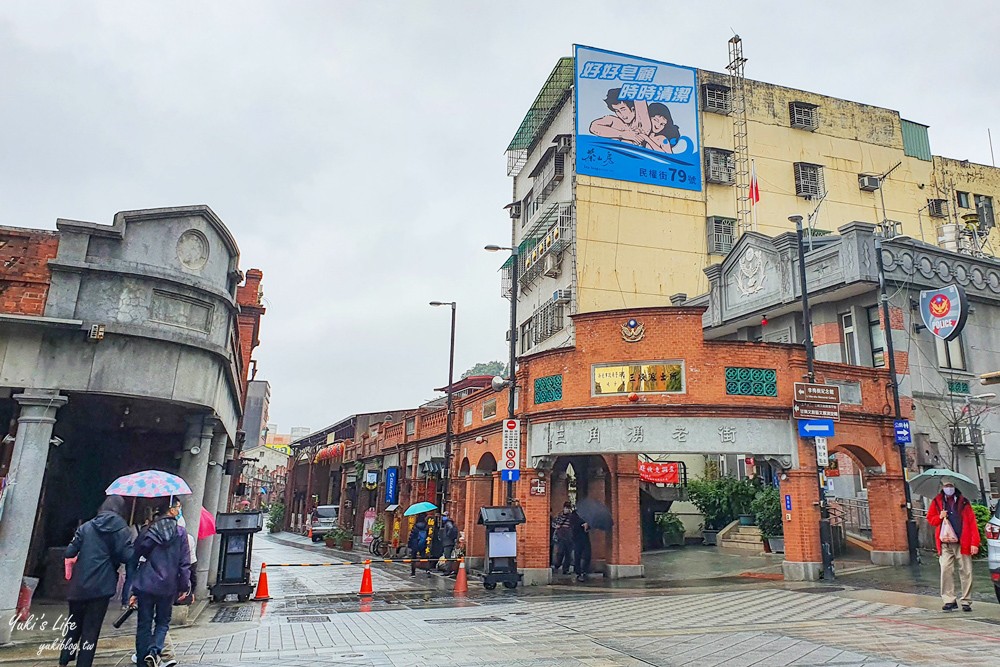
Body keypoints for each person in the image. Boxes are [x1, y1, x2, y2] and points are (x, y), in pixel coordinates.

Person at [59, 495, 134, 667]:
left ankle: (64, 659)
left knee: (73, 624)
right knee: (91, 629)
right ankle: (84, 663)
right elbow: (126, 556)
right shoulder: (122, 529)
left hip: (79, 584)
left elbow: (69, 552)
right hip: (102, 586)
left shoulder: (86, 527)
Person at [130, 499, 191, 667]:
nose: (179, 510)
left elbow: (136, 556)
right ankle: (154, 651)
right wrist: (184, 586)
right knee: (162, 622)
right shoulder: (180, 533)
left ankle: (142, 660)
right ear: (171, 510)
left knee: (144, 623)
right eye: (178, 507)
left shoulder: (148, 530)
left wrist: (133, 588)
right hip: (168, 585)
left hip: (146, 583)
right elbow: (184, 563)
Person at [926, 479, 981, 612]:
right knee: (945, 570)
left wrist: (975, 543)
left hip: (963, 542)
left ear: (954, 487)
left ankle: (966, 600)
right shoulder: (937, 502)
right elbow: (931, 519)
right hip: (945, 543)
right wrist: (940, 516)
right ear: (942, 487)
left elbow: (972, 523)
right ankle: (949, 599)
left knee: (966, 571)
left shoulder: (963, 502)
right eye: (946, 486)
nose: (948, 488)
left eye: (950, 486)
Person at [551, 502, 575, 575]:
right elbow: (554, 523)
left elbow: (573, 525)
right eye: (566, 508)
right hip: (561, 536)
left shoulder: (571, 517)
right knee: (560, 552)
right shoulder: (559, 515)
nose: (566, 510)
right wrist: (556, 526)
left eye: (568, 508)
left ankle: (565, 569)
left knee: (568, 554)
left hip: (569, 537)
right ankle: (557, 566)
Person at [571, 510, 591, 582]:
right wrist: (582, 524)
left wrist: (587, 526)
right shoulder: (574, 514)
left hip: (585, 538)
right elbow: (573, 524)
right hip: (577, 538)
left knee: (587, 555)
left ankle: (584, 570)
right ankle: (578, 572)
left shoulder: (586, 515)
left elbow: (589, 526)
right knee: (577, 555)